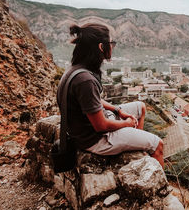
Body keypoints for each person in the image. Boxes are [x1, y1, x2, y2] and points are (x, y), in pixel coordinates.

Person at [57, 23, 163, 167]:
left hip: (86, 130)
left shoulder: (76, 70)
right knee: (158, 145)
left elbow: (94, 101)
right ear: (101, 47)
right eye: (111, 43)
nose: (112, 47)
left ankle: (139, 146)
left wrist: (117, 110)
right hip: (96, 139)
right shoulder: (85, 80)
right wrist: (127, 124)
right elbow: (101, 125)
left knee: (140, 107)